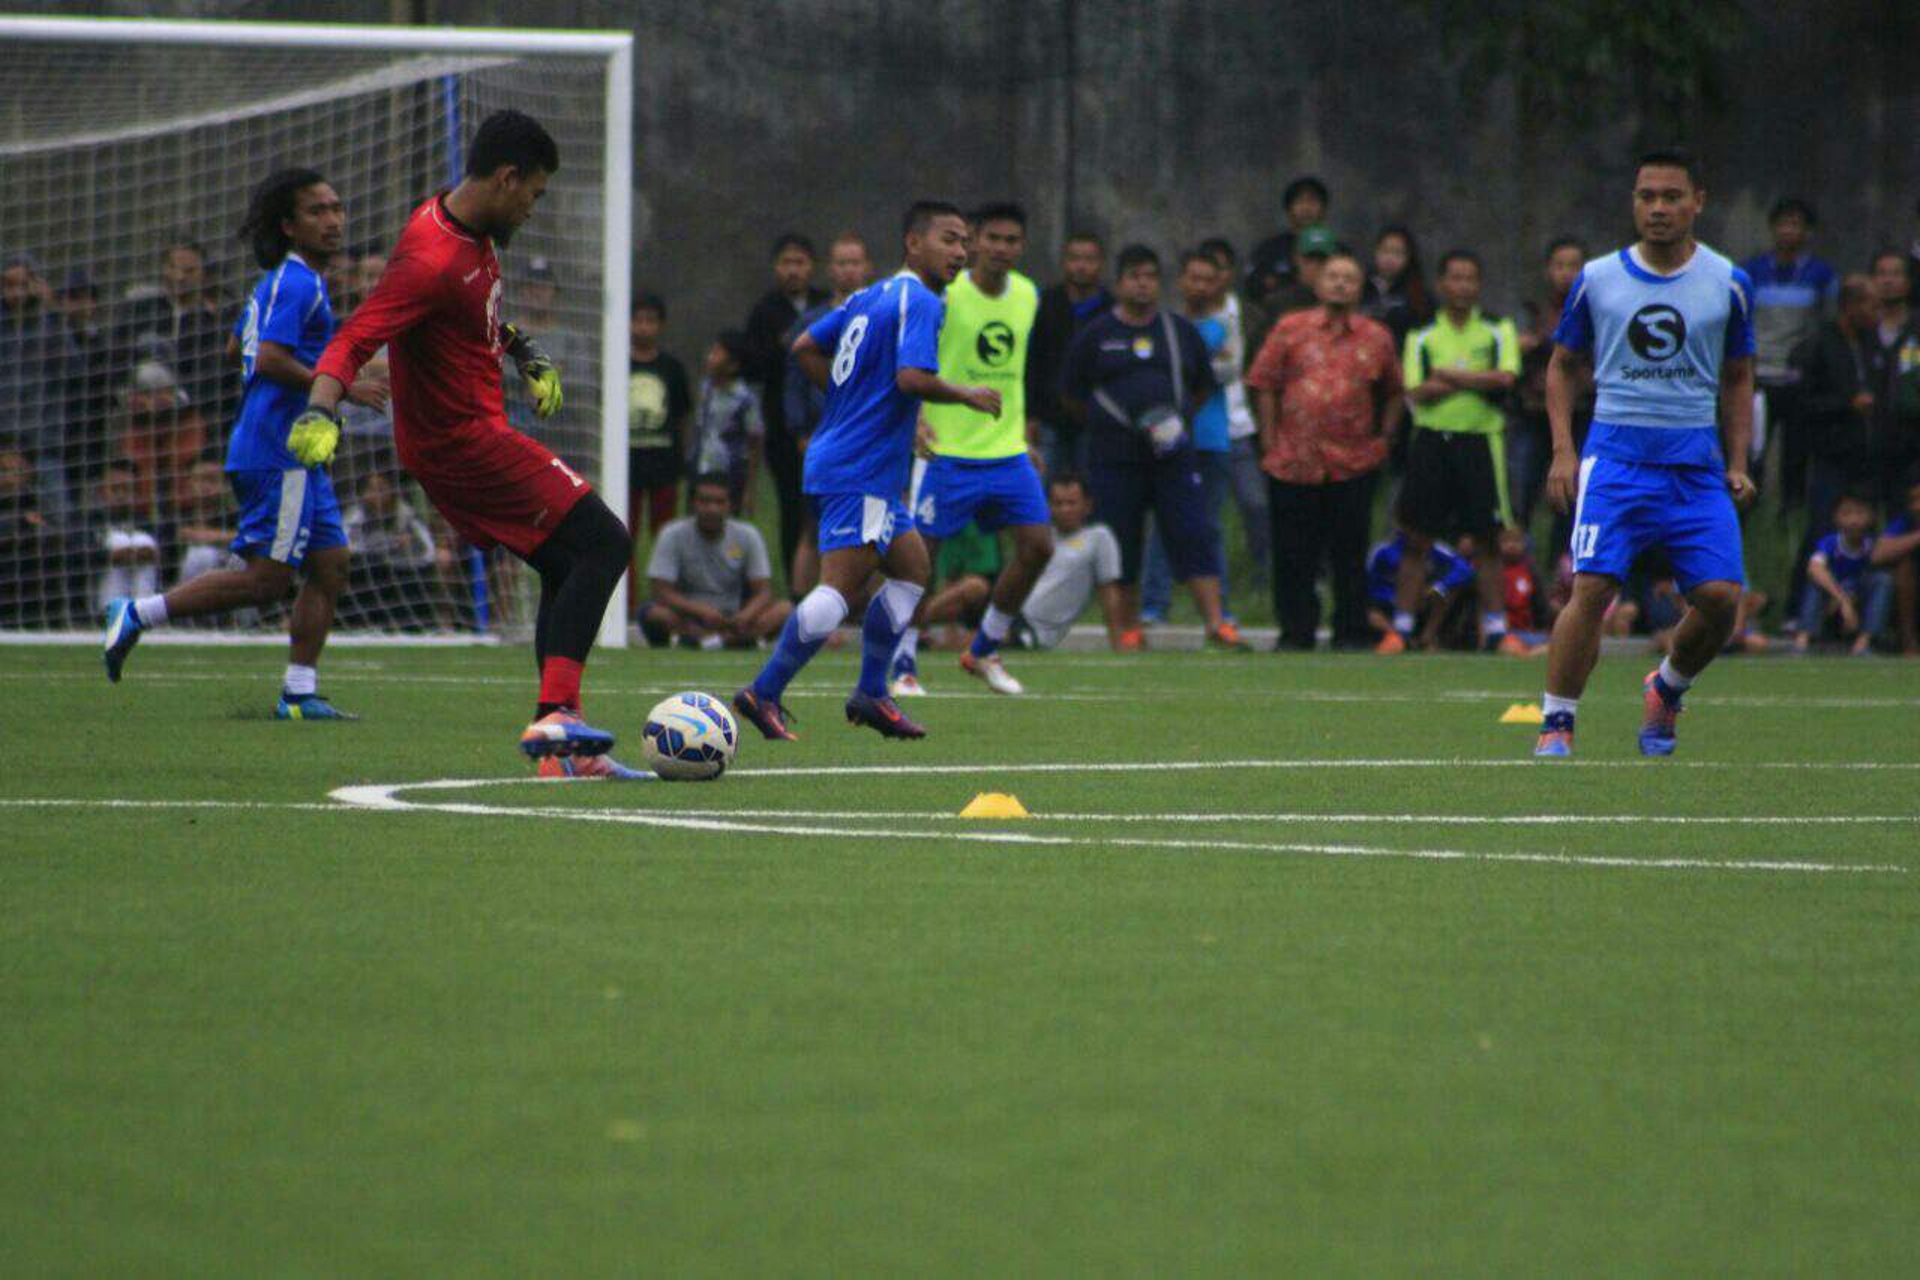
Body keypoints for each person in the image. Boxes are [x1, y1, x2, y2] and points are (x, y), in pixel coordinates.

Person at [282, 112, 629, 773]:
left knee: (566, 564)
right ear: (506, 178)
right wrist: (320, 411)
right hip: (461, 443)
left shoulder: (468, 230)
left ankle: (560, 747)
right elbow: (353, 338)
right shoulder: (432, 258)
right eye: (534, 193)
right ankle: (558, 722)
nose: (533, 208)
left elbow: (474, 318)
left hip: (471, 434)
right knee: (607, 542)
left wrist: (523, 353)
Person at [100, 167, 387, 719]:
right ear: (288, 225)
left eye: (336, 208)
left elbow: (238, 352)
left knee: (330, 563)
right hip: (279, 452)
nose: (333, 220)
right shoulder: (299, 283)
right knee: (266, 580)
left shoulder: (281, 282)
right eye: (316, 211)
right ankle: (137, 612)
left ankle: (299, 693)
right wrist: (340, 387)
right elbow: (270, 358)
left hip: (290, 450)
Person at [732, 201, 998, 743]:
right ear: (913, 243)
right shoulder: (921, 300)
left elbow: (805, 345)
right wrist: (966, 394)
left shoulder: (869, 295)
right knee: (840, 589)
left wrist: (850, 400)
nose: (961, 252)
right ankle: (765, 690)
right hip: (863, 468)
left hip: (849, 457)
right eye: (950, 239)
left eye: (965, 242)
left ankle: (873, 693)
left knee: (912, 570)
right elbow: (911, 378)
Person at [1535, 147, 1757, 758]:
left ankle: (1667, 685)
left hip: (1695, 464)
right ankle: (1557, 722)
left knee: (1719, 599)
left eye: (1671, 197)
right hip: (1616, 459)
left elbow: (1739, 375)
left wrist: (1738, 461)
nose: (1657, 208)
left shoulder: (1728, 282)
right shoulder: (1600, 278)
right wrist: (1564, 450)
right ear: (1634, 202)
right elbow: (1561, 367)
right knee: (1594, 587)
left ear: (1698, 202)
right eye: (1646, 197)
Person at [892, 201, 1051, 697]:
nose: (1002, 249)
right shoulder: (944, 293)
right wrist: (916, 418)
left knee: (1038, 547)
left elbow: (1016, 370)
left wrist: (1027, 435)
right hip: (947, 450)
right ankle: (902, 663)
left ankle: (984, 648)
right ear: (974, 241)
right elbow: (911, 358)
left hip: (1006, 450)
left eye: (1013, 240)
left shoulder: (1027, 295)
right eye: (993, 239)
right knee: (919, 560)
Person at [1061, 244, 1241, 650]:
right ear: (1120, 282)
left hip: (1172, 456)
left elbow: (1202, 388)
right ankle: (1127, 629)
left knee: (1193, 532)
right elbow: (1072, 396)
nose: (1143, 285)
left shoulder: (1179, 331)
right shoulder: (1097, 334)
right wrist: (1111, 425)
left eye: (1150, 277)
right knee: (1120, 541)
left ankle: (1217, 623)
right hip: (1114, 459)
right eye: (1134, 276)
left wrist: (1172, 424)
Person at [1245, 249, 1403, 650]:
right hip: (1293, 460)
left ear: (1359, 287)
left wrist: (1384, 437)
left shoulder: (1376, 336)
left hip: (1352, 462)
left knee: (1348, 552)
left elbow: (1395, 391)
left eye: (1349, 278)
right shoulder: (1290, 328)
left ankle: (1350, 629)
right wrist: (1268, 437)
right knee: (1293, 552)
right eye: (1332, 276)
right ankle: (1295, 631)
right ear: (1317, 283)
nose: (1339, 283)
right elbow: (1264, 381)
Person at [1394, 249, 1524, 655]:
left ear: (1479, 285)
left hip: (1481, 439)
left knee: (1488, 540)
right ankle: (1400, 629)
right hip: (1432, 439)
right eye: (1455, 278)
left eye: (1470, 278)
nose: (1463, 286)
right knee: (1416, 537)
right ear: (1441, 284)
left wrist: (1449, 374)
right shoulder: (1423, 335)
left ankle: (1498, 630)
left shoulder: (1497, 329)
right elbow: (1416, 391)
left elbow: (1505, 378)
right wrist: (1475, 380)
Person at [1140, 250, 1234, 625]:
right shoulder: (1166, 326)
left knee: (1207, 525)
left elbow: (1224, 372)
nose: (1199, 285)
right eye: (1192, 277)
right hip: (1169, 438)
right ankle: (1153, 604)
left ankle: (1220, 611)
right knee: (1163, 523)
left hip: (1211, 436)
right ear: (1180, 281)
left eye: (1207, 279)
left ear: (1218, 284)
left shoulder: (1225, 325)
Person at [783, 233, 874, 595]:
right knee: (814, 525)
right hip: (825, 435)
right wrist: (800, 432)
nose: (849, 270)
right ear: (829, 269)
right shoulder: (813, 321)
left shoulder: (879, 314)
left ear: (867, 268)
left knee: (880, 524)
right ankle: (803, 605)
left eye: (855, 262)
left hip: (870, 437)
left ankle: (869, 611)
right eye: (841, 263)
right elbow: (793, 383)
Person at [1787, 273, 1878, 617]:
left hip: (1863, 457)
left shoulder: (1871, 345)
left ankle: (1856, 613)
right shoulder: (1819, 345)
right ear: (1850, 306)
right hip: (1830, 455)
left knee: (1863, 535)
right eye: (1870, 304)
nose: (1875, 312)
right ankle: (1800, 612)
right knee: (1822, 531)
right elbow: (1803, 401)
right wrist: (1847, 403)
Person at [1741, 197, 1837, 504]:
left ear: (1808, 232)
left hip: (1798, 379)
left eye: (1796, 225)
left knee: (1795, 456)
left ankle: (1789, 518)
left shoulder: (1821, 275)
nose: (1788, 231)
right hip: (1759, 376)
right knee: (1752, 451)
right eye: (1783, 223)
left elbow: (1828, 322)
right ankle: (1747, 512)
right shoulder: (1751, 271)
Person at [744, 233, 827, 587]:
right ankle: (798, 591)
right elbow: (753, 367)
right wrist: (785, 348)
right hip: (784, 433)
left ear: (812, 267)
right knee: (794, 509)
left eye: (800, 263)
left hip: (828, 426)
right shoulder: (765, 312)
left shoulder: (826, 305)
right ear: (776, 268)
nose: (793, 271)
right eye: (786, 263)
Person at [640, 472, 789, 648]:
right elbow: (662, 591)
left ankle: (708, 641)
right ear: (693, 504)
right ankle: (729, 641)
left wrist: (745, 616)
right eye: (705, 502)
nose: (712, 509)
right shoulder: (672, 534)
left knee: (785, 610)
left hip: (733, 616)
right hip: (688, 616)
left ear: (730, 505)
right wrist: (699, 611)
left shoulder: (747, 535)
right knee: (655, 614)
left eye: (719, 502)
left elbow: (763, 591)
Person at [1198, 237, 1269, 582]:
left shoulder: (1252, 315)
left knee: (1256, 504)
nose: (1215, 278)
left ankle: (1262, 575)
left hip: (1243, 421)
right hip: (1203, 424)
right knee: (1202, 512)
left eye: (1222, 268)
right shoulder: (1183, 319)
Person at [1515, 237, 1593, 529]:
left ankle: (1565, 559)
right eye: (1559, 266)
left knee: (1574, 491)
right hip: (1534, 413)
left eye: (1574, 266)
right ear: (1548, 270)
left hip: (1581, 412)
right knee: (1524, 487)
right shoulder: (1534, 311)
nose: (1566, 273)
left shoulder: (1594, 310)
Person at [1011, 471, 1127, 650]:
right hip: (1010, 611)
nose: (1065, 509)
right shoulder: (1040, 537)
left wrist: (1118, 644)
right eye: (1058, 503)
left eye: (1071, 503)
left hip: (1033, 629)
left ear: (1087, 506)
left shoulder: (1098, 538)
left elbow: (1109, 591)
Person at [1027, 232, 1110, 475]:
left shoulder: (1111, 309)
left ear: (1101, 263)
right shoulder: (1045, 304)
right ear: (1064, 261)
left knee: (1092, 491)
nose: (1081, 266)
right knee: (1042, 489)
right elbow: (1032, 363)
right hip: (1049, 419)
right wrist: (1030, 415)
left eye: (1089, 259)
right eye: (1075, 258)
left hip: (1094, 422)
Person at [625, 292, 692, 551]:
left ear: (661, 325)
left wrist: (680, 458)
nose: (643, 327)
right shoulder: (619, 365)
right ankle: (625, 591)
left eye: (650, 321)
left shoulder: (672, 368)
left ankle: (662, 590)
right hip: (628, 463)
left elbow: (682, 417)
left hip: (664, 464)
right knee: (623, 532)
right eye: (638, 320)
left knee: (665, 536)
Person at [1794, 492, 1890, 655]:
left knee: (1883, 581)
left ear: (1871, 516)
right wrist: (1842, 599)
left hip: (1859, 598)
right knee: (1814, 583)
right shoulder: (1830, 543)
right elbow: (1814, 568)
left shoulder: (1872, 544)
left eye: (1860, 513)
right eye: (1847, 513)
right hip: (1832, 597)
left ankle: (1864, 642)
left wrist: (1850, 600)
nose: (1853, 521)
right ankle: (1802, 641)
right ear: (1836, 517)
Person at [1866, 249, 1920, 506]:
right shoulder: (1860, 330)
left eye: (1896, 274)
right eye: (1881, 274)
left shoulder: (1915, 331)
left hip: (1910, 443)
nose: (1888, 281)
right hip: (1866, 442)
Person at [1365, 529, 1474, 649]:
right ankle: (1397, 637)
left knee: (1446, 593)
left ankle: (1426, 638)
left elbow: (1464, 569)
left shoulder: (1436, 549)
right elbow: (1372, 582)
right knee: (1373, 615)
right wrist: (1395, 597)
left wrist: (1439, 587)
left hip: (1422, 599)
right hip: (1388, 600)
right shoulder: (1384, 551)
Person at [690, 330, 762, 514]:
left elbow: (755, 441)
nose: (710, 358)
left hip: (730, 473)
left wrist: (750, 490)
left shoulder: (744, 399)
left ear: (733, 365)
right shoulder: (705, 388)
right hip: (700, 469)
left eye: (717, 354)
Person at [1246, 175, 1330, 310]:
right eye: (1300, 202)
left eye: (1312, 202)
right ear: (1288, 209)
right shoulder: (1269, 250)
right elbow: (1254, 290)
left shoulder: (1339, 250)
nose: (1306, 208)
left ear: (1324, 208)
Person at [1362, 225, 1431, 353]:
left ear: (1408, 257)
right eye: (1385, 251)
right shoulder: (1361, 286)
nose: (1390, 259)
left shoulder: (1418, 294)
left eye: (1397, 253)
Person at [1874, 475, 1920, 653]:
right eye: (1914, 500)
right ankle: (1907, 640)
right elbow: (1878, 554)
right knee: (1903, 565)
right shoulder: (1905, 522)